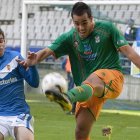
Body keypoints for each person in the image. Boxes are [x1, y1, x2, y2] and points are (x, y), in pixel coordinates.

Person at [17, 2, 140, 140]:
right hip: (85, 90)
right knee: (81, 131)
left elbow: (130, 53)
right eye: (77, 23)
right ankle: (70, 97)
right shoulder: (70, 38)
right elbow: (47, 50)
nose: (81, 27)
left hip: (112, 78)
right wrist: (33, 60)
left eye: (84, 23)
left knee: (94, 78)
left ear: (92, 19)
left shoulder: (108, 29)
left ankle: (68, 97)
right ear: (73, 22)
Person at [0, 28, 39, 140]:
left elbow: (34, 83)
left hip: (19, 114)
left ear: (4, 42)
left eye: (1, 40)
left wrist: (32, 66)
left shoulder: (15, 58)